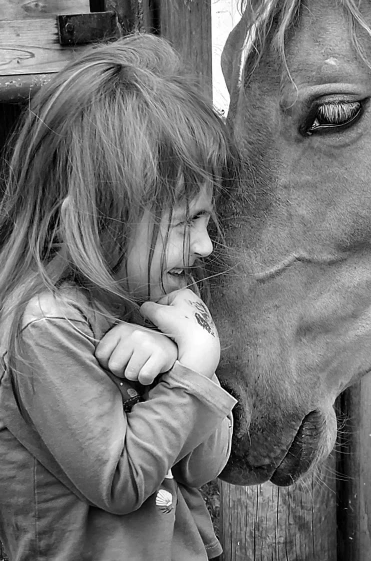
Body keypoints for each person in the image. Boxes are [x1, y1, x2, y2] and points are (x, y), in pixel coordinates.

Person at [0, 34, 237, 561]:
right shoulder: (47, 331)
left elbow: (203, 467)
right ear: (92, 220)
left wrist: (184, 361)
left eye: (207, 219)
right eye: (185, 224)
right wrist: (194, 368)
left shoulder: (148, 300)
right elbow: (122, 482)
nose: (205, 246)